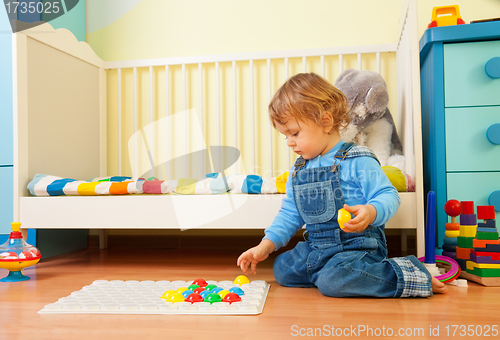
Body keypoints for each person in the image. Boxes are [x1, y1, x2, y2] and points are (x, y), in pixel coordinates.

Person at [237, 73, 447, 297]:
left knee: (335, 278)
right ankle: (331, 274)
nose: (289, 142)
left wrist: (371, 210)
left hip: (356, 249)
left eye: (295, 133)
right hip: (317, 248)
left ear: (326, 122)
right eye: (285, 136)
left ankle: (408, 275)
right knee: (282, 269)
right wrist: (265, 246)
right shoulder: (299, 170)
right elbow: (290, 214)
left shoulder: (357, 159)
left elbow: (389, 195)